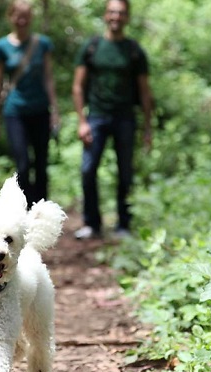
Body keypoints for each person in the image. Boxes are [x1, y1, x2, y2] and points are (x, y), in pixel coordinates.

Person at [71, 0, 153, 240]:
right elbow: (77, 86)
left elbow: (146, 92)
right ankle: (91, 223)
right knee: (88, 170)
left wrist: (148, 128)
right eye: (112, 12)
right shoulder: (92, 46)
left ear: (127, 17)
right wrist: (81, 121)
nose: (116, 16)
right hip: (95, 116)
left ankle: (123, 225)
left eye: (121, 12)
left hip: (125, 118)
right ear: (106, 15)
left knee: (125, 172)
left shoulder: (134, 51)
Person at [0, 0, 60, 207]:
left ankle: (42, 209)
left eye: (26, 16)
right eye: (18, 16)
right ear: (10, 17)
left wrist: (55, 111)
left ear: (31, 18)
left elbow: (48, 78)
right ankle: (24, 208)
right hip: (15, 111)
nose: (22, 20)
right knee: (22, 163)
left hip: (40, 110)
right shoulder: (1, 46)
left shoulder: (43, 44)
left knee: (41, 163)